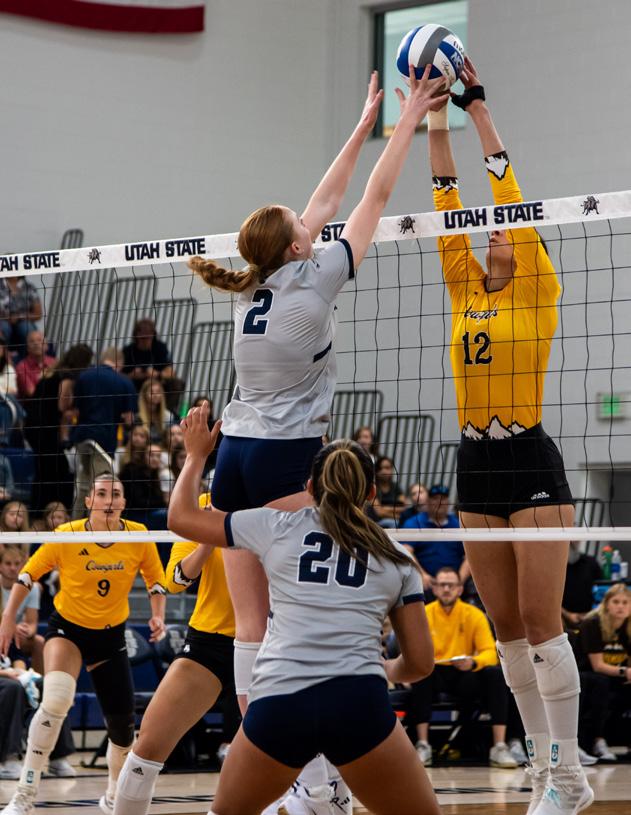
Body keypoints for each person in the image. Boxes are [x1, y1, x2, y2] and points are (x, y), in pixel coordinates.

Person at [185, 68, 448, 814]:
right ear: (297, 246)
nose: (312, 222)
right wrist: (405, 119)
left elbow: (325, 201)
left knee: (252, 623)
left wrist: (362, 123)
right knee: (303, 609)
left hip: (234, 452)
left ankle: (281, 772)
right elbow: (371, 200)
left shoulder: (259, 282)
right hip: (282, 453)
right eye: (302, 225)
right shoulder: (314, 281)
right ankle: (314, 781)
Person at [427, 55, 590, 814]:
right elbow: (445, 194)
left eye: (504, 229)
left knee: (541, 623)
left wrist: (477, 108)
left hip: (528, 458)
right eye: (487, 228)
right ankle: (543, 769)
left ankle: (570, 775)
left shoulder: (537, 287)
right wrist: (435, 116)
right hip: (474, 463)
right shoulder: (462, 284)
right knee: (507, 632)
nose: (492, 230)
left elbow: (505, 192)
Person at [166, 405, 440, 815]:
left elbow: (180, 518)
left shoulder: (275, 525)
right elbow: (420, 664)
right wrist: (385, 669)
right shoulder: (398, 558)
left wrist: (195, 456)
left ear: (310, 486)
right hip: (358, 702)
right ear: (371, 493)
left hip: (281, 701)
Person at [0, 474, 167, 815]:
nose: (108, 500)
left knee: (123, 731)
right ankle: (25, 794)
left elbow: (156, 580)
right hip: (69, 631)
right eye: (101, 494)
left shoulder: (139, 535)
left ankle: (113, 795)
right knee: (56, 701)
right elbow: (27, 575)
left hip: (110, 636)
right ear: (89, 501)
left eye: (115, 494)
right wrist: (7, 617)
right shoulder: (67, 534)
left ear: (123, 502)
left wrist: (158, 615)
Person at [113, 492, 238, 815]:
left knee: (292, 759)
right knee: (146, 749)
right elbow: (176, 581)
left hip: (271, 645)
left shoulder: (283, 505)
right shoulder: (205, 504)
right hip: (211, 641)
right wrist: (209, 536)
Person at [408, 565, 516, 769]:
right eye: (442, 585)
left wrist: (473, 662)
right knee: (421, 676)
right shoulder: (424, 614)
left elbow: (490, 652)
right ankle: (422, 744)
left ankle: (499, 746)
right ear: (434, 589)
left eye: (451, 585)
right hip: (434, 672)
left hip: (464, 673)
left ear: (460, 589)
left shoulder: (474, 614)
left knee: (495, 674)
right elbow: (412, 648)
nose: (446, 589)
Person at [23, 343, 94, 513]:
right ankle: (52, 510)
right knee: (56, 470)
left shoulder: (53, 372)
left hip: (34, 427)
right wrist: (75, 408)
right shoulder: (67, 376)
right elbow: (62, 406)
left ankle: (42, 510)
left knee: (45, 470)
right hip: (45, 430)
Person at [70, 347, 137, 517]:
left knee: (84, 485)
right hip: (103, 440)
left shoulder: (84, 376)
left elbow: (75, 409)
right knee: (104, 485)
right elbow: (129, 418)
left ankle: (75, 523)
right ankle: (99, 524)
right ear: (120, 363)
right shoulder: (124, 382)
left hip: (82, 436)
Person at [579, 583, 631, 762]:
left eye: (625, 602)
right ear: (606, 604)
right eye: (616, 602)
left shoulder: (628, 626)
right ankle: (597, 740)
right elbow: (598, 665)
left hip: (616, 675)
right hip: (587, 675)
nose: (620, 606)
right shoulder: (592, 623)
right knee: (602, 682)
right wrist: (625, 671)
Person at [401, 484, 470, 593]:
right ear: (428, 501)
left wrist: (458, 582)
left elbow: (469, 556)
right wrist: (421, 575)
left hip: (454, 587)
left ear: (448, 502)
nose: (440, 502)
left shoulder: (458, 524)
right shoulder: (414, 523)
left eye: (443, 498)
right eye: (435, 498)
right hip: (424, 585)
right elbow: (406, 551)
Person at [0, 545, 44, 674]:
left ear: (22, 565)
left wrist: (26, 631)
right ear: (0, 566)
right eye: (8, 563)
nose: (13, 568)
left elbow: (32, 623)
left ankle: (38, 683)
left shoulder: (33, 588)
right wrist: (11, 628)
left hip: (18, 636)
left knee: (39, 642)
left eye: (17, 563)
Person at [122, 318, 174, 391]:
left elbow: (171, 372)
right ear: (136, 335)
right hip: (133, 385)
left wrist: (157, 374)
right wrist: (131, 375)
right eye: (142, 337)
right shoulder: (128, 351)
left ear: (153, 335)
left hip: (155, 386)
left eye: (148, 337)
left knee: (175, 384)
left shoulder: (160, 348)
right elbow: (117, 374)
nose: (145, 341)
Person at [0, 277, 42, 358]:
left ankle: (24, 360)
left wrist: (19, 316)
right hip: (2, 320)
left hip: (22, 320)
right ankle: (4, 359)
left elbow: (38, 314)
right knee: (4, 327)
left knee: (26, 328)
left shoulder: (29, 287)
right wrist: (6, 317)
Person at [562, 542, 602, 627]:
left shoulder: (591, 563)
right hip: (561, 617)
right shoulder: (555, 565)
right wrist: (567, 614)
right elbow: (547, 596)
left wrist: (590, 614)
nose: (572, 543)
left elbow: (602, 591)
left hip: (590, 617)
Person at [370, 455, 409, 528]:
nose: (384, 471)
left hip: (395, 522)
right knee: (395, 523)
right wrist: (399, 515)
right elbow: (379, 512)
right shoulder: (373, 487)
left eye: (387, 468)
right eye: (380, 468)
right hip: (376, 523)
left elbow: (404, 507)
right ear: (376, 471)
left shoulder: (396, 487)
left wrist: (384, 508)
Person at [15, 331, 55, 402]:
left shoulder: (55, 363)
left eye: (39, 340)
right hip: (31, 404)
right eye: (32, 341)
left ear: (47, 346)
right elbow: (32, 393)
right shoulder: (21, 367)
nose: (36, 343)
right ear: (27, 348)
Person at [137, 379, 177, 444]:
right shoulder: (137, 415)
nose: (155, 395)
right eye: (151, 392)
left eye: (158, 392)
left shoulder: (168, 416)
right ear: (144, 394)